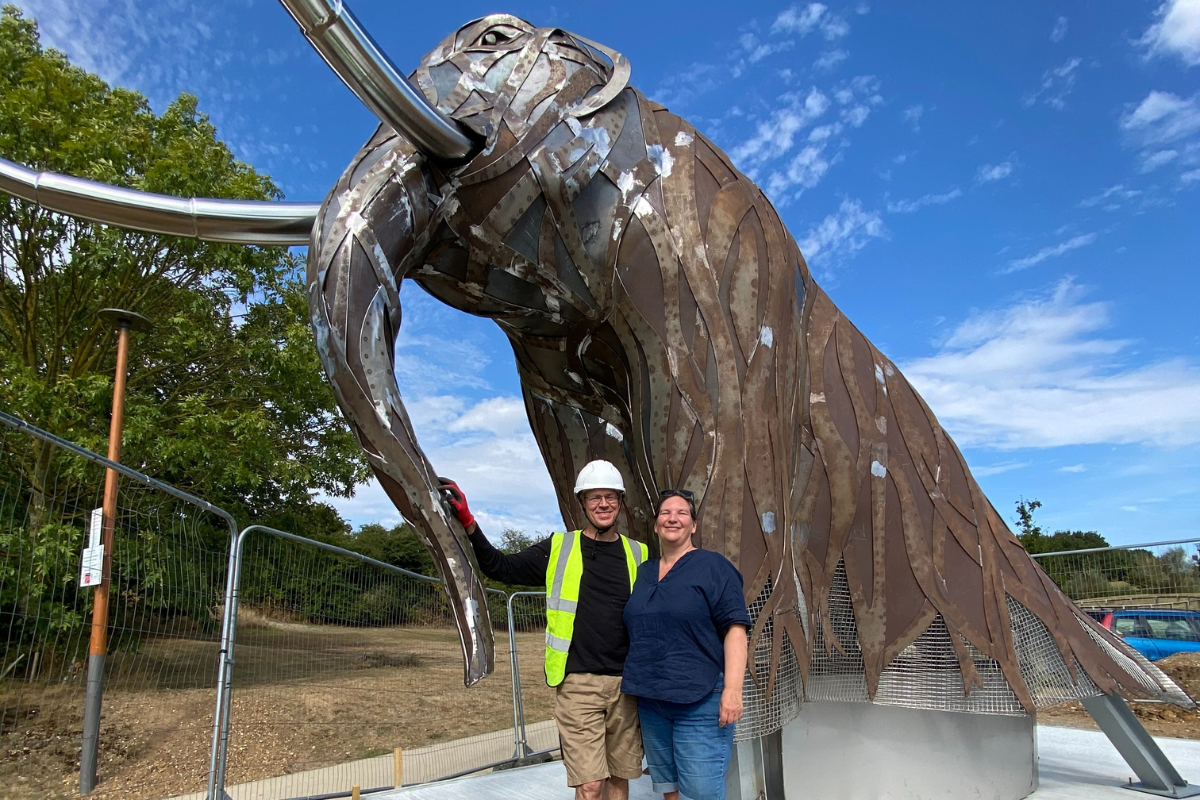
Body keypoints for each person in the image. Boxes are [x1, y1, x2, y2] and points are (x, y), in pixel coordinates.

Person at [439, 461, 648, 800]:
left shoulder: (638, 553)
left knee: (620, 778)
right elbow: (499, 567)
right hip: (578, 684)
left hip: (626, 686)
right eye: (595, 497)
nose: (603, 504)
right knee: (591, 784)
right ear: (582, 503)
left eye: (611, 497)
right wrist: (468, 521)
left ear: (621, 502)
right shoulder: (559, 547)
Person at [621, 489, 750, 800]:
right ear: (655, 525)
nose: (673, 518)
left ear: (693, 526)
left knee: (702, 793)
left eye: (682, 513)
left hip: (701, 700)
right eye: (666, 513)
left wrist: (732, 690)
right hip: (653, 701)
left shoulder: (713, 567)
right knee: (669, 790)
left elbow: (735, 628)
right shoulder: (645, 572)